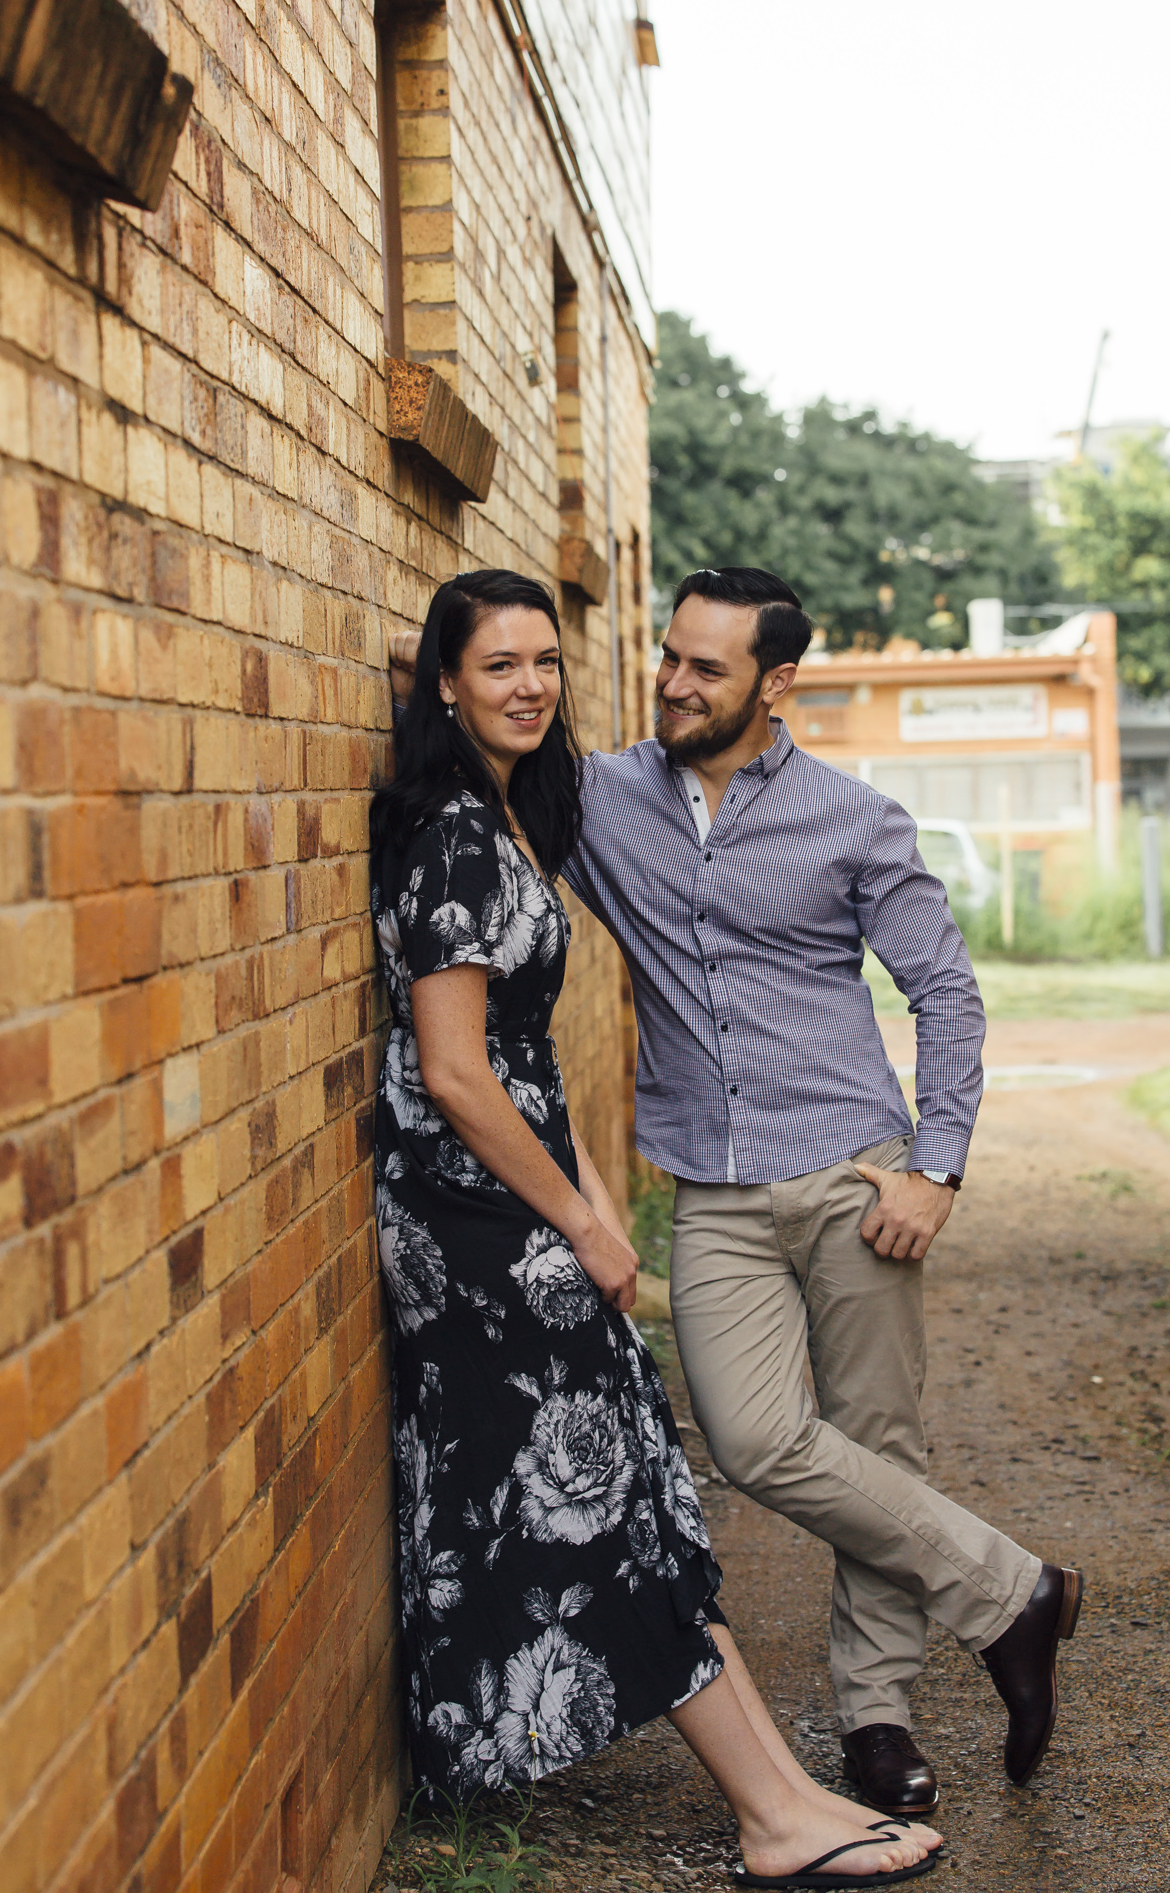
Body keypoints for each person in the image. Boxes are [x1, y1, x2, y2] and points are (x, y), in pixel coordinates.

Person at [387, 566, 1082, 1822]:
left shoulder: (854, 819)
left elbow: (948, 995)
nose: (672, 682)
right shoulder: (591, 798)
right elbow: (483, 794)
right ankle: (1013, 1591)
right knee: (754, 1435)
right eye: (667, 657)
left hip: (851, 1168)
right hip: (708, 1181)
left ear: (776, 682)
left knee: (876, 1442)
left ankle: (876, 1716)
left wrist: (936, 1163)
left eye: (706, 668)